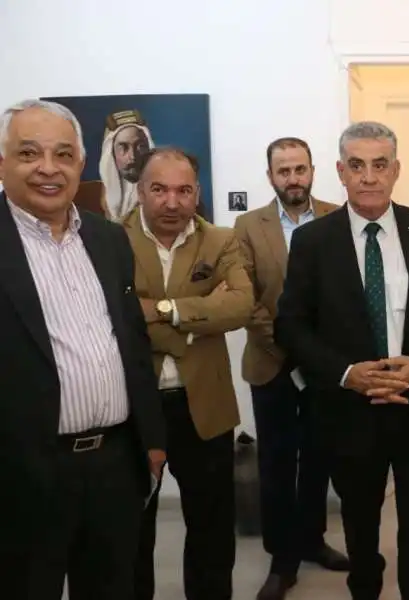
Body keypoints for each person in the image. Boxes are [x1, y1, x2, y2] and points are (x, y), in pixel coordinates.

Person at [274, 121, 409, 600]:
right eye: (357, 165)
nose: (368, 176)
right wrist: (346, 374)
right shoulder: (313, 241)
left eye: (379, 165)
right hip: (348, 413)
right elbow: (291, 326)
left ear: (395, 170)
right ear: (340, 171)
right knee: (360, 531)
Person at [0, 99, 166, 599]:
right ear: (3, 162)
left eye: (63, 154)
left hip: (115, 466)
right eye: (29, 153)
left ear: (81, 163)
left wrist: (152, 440)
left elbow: (132, 343)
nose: (48, 168)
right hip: (23, 471)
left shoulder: (108, 239)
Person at [123, 146, 254, 600]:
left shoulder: (221, 241)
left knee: (212, 530)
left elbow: (240, 305)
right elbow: (112, 314)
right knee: (132, 530)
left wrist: (160, 311)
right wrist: (198, 316)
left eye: (183, 191)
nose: (172, 202)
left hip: (205, 408)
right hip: (133, 409)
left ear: (197, 193)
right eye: (159, 189)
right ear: (140, 191)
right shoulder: (110, 240)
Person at [234, 137, 349, 600]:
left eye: (300, 169)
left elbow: (346, 295)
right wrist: (291, 345)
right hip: (272, 364)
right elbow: (245, 298)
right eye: (283, 171)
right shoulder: (247, 226)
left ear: (313, 171)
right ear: (270, 177)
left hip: (325, 370)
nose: (293, 178)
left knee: (320, 458)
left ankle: (313, 541)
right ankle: (282, 561)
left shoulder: (338, 217)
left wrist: (319, 355)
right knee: (278, 466)